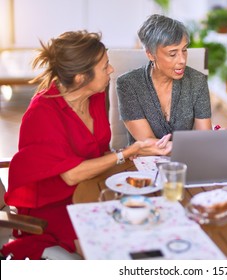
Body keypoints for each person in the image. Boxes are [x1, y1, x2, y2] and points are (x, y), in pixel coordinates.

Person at [0, 31, 171, 260]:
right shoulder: (42, 113)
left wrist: (139, 150)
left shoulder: (95, 96)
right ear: (81, 77)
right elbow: (70, 176)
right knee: (116, 247)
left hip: (93, 188)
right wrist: (129, 151)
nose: (111, 70)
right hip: (55, 205)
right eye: (105, 67)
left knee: (150, 219)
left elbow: (99, 151)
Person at [116, 14, 212, 145]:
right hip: (143, 162)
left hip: (184, 162)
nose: (182, 60)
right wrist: (189, 146)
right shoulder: (128, 84)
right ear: (150, 54)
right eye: (172, 54)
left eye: (184, 50)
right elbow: (147, 142)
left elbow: (205, 137)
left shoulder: (197, 81)